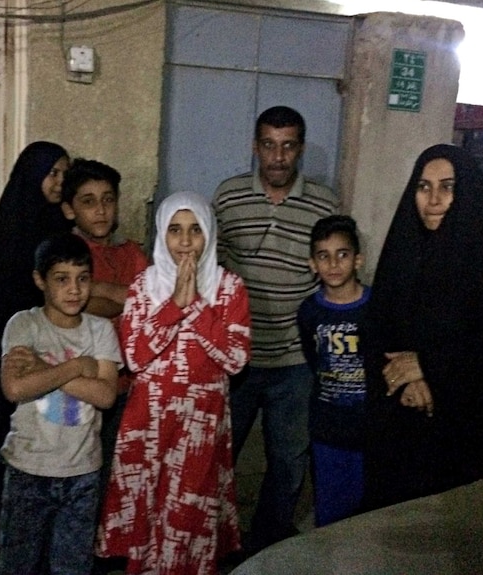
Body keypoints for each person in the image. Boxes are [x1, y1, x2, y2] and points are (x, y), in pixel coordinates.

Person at [362, 144, 483, 511]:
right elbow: (379, 329)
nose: (434, 199)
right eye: (424, 187)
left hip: (466, 439)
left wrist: (429, 368)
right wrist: (408, 379)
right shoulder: (404, 251)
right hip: (402, 427)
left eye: (448, 186)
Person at [97, 191, 251, 575]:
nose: (185, 241)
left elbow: (235, 358)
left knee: (189, 511)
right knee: (148, 508)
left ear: (210, 234)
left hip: (201, 421)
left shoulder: (229, 288)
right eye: (175, 230)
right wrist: (173, 308)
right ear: (161, 235)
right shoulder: (144, 287)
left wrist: (195, 305)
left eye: (195, 230)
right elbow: (134, 356)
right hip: (148, 419)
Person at [212, 105, 338, 553]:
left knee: (287, 461)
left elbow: (334, 272)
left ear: (299, 149)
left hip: (295, 361)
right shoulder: (227, 197)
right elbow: (211, 265)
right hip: (237, 358)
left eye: (287, 147)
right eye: (269, 145)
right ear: (256, 147)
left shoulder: (324, 203)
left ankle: (266, 546)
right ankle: (215, 542)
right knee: (217, 456)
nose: (278, 157)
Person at [0, 232, 121, 575]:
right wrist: (77, 367)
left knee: (72, 564)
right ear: (40, 280)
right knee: (18, 563)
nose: (74, 290)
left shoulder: (100, 331)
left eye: (82, 279)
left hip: (82, 470)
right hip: (28, 466)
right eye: (62, 279)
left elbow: (106, 395)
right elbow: (16, 388)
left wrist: (46, 370)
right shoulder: (24, 324)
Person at [0, 141, 72, 547]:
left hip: (47, 352)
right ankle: (5, 523)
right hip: (16, 350)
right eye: (52, 174)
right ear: (32, 177)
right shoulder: (17, 227)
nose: (59, 183)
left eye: (63, 175)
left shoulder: (49, 223)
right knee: (11, 431)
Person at [58, 157, 148, 573]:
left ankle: (111, 548)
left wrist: (110, 293)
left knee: (122, 470)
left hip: (131, 385)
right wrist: (116, 293)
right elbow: (80, 303)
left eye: (108, 200)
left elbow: (150, 303)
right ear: (69, 209)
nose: (100, 210)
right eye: (89, 201)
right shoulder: (67, 255)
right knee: (81, 474)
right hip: (84, 383)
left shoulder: (131, 253)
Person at [297, 215, 370, 527]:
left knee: (367, 512)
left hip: (369, 429)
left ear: (357, 259)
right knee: (329, 511)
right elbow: (314, 358)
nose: (333, 264)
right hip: (328, 428)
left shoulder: (376, 307)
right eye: (323, 256)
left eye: (342, 254)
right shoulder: (310, 311)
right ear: (313, 263)